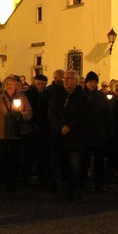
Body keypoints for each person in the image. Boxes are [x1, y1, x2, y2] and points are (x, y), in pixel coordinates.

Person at [0, 75, 33, 191]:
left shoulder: (22, 98)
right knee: (1, 158)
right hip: (0, 134)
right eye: (7, 84)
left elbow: (29, 112)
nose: (9, 86)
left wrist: (21, 115)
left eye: (11, 84)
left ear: (16, 86)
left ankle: (12, 180)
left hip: (16, 134)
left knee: (14, 159)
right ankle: (2, 178)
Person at [48, 69, 87, 201]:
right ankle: (60, 187)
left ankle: (72, 189)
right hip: (59, 136)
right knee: (57, 164)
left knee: (74, 166)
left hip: (75, 137)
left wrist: (70, 126)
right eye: (64, 78)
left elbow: (84, 116)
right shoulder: (58, 95)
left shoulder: (83, 97)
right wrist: (61, 126)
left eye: (68, 78)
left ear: (76, 81)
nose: (65, 80)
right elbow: (52, 112)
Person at [81, 71, 114, 192]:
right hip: (84, 134)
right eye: (91, 82)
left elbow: (108, 115)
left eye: (95, 82)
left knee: (99, 162)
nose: (93, 84)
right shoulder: (81, 96)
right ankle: (82, 182)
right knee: (84, 161)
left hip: (99, 133)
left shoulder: (101, 97)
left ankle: (99, 184)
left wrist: (109, 131)